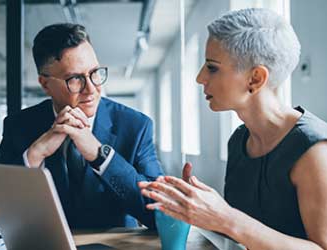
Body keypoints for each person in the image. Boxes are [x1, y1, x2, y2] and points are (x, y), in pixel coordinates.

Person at [139, 8, 327, 249]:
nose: (199, 78)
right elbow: (245, 236)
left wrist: (225, 217)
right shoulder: (239, 141)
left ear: (255, 79)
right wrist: (196, 208)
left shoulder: (314, 152)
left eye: (212, 67)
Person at [0, 23, 163, 230]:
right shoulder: (19, 126)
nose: (91, 89)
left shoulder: (135, 126)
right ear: (45, 84)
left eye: (95, 72)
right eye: (75, 79)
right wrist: (35, 154)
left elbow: (160, 213)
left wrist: (101, 156)